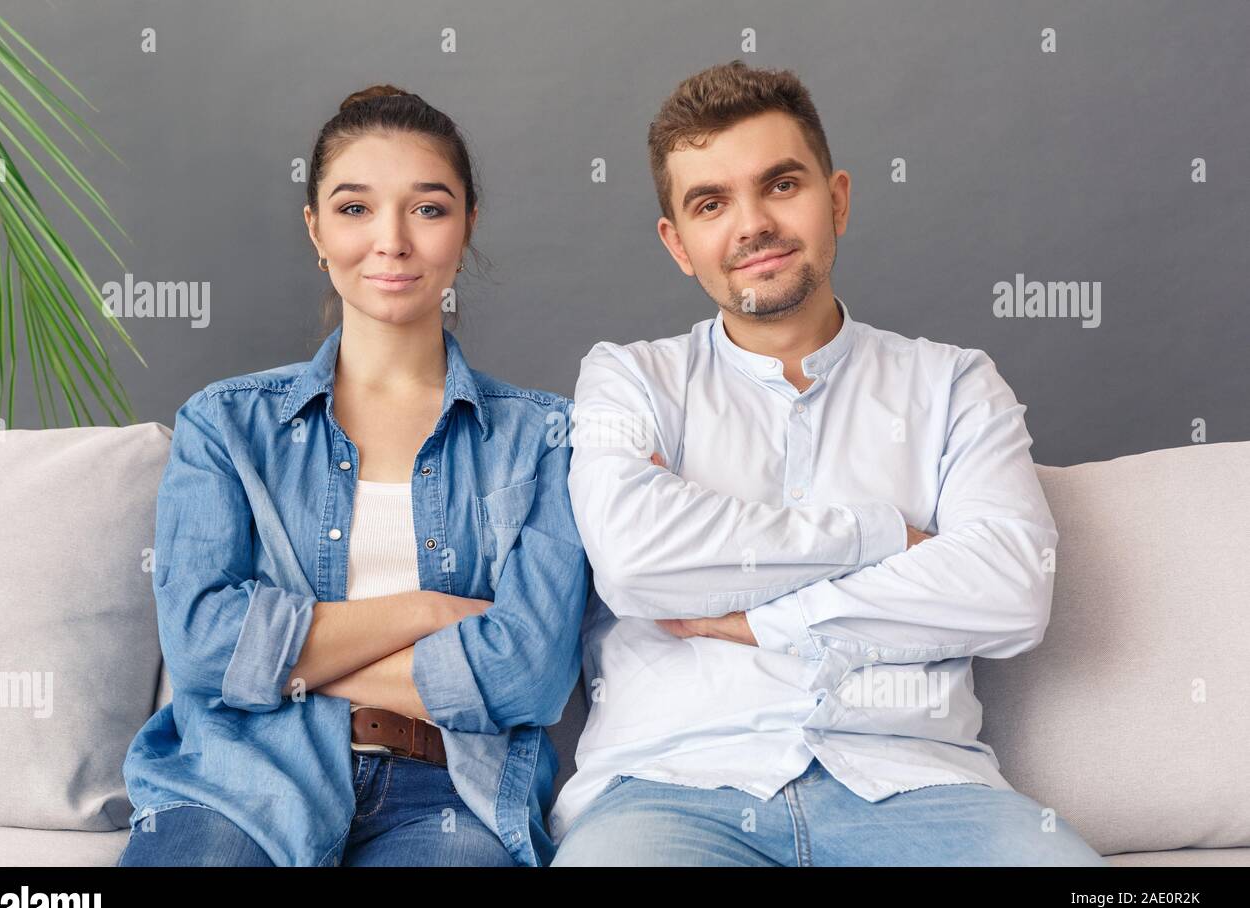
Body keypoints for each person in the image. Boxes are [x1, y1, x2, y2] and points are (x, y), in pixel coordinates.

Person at [550, 60, 1107, 866]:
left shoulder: (954, 383)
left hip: (921, 788)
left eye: (781, 186)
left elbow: (1013, 590)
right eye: (712, 204)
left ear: (836, 198)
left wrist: (750, 620)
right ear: (678, 243)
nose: (752, 225)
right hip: (674, 793)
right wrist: (883, 534)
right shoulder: (630, 378)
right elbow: (638, 565)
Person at [118, 84, 589, 867]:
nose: (392, 241)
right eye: (355, 208)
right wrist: (432, 610)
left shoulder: (542, 435)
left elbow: (529, 675)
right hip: (243, 778)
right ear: (316, 229)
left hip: (448, 792)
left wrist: (282, 663)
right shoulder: (225, 423)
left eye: (429, 208)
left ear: (467, 225)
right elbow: (203, 647)